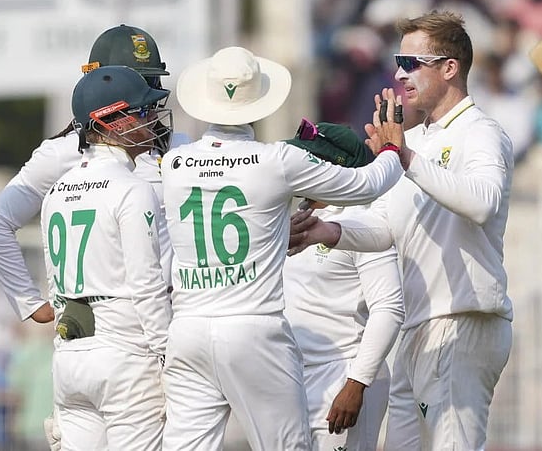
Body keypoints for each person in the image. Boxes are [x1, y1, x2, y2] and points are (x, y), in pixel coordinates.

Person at [159, 46, 406, 451]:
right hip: (253, 328)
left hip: (186, 330)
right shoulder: (276, 159)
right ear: (256, 104)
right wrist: (392, 150)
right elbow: (368, 185)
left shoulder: (174, 163)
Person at [289, 10, 515, 449]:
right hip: (418, 331)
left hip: (461, 321)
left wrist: (404, 156)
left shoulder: (480, 131)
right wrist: (326, 231)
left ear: (449, 68)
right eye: (398, 62)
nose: (399, 73)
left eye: (411, 63)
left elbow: (483, 203)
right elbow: (384, 228)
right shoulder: (422, 139)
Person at [0, 24, 171, 325]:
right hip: (110, 329)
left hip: (168, 320)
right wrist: (28, 302)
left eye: (151, 81)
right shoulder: (62, 153)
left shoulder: (177, 147)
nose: (149, 100)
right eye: (139, 82)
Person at [42, 65, 173, 450]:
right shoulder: (133, 189)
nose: (150, 118)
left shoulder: (57, 190)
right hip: (126, 358)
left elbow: (54, 287)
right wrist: (169, 358)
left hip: (70, 357)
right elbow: (147, 286)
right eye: (141, 111)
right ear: (110, 121)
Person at [282, 119, 404, 450]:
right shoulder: (296, 215)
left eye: (308, 160)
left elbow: (389, 309)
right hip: (299, 381)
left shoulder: (362, 220)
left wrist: (356, 384)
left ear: (334, 168)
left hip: (343, 384)